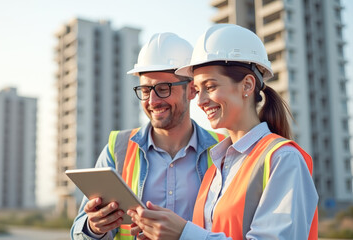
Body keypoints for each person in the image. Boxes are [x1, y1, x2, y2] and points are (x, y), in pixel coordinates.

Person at [127, 24, 318, 240]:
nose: (199, 100)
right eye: (198, 90)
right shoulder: (215, 169)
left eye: (210, 87)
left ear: (247, 85)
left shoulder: (283, 159)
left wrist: (183, 233)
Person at [70, 32, 225, 240]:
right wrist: (94, 228)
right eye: (145, 90)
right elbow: (79, 233)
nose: (152, 101)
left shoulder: (223, 150)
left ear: (191, 90)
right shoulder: (118, 149)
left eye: (163, 89)